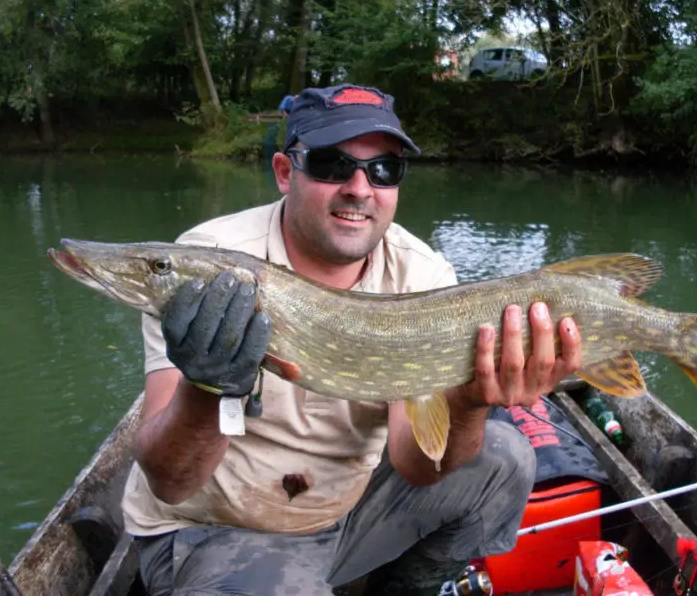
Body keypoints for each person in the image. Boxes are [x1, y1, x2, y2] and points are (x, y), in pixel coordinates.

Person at [122, 83, 582, 596]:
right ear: (283, 172)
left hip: (345, 513)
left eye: (384, 170)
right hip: (216, 529)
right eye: (331, 164)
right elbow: (170, 481)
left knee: (504, 459)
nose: (360, 188)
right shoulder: (207, 263)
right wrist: (206, 388)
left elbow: (417, 464)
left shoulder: (422, 273)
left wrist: (469, 401)